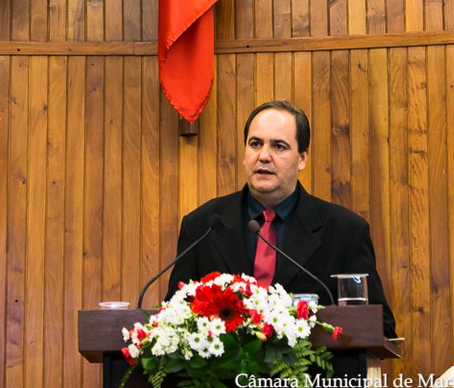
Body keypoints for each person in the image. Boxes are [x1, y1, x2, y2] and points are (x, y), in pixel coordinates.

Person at [166, 100, 397, 338]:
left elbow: (381, 327)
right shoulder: (202, 226)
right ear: (245, 154)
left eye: (279, 146)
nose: (263, 156)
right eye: (255, 144)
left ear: (302, 159)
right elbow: (172, 321)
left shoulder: (345, 232)